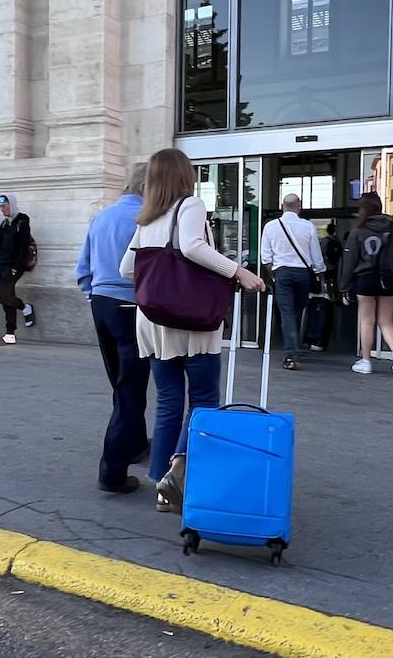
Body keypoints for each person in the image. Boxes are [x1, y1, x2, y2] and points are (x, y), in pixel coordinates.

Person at [120, 149, 264, 513]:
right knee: (203, 399)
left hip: (153, 322)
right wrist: (238, 272)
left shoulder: (146, 218)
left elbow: (125, 269)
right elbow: (192, 247)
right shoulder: (191, 205)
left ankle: (160, 485)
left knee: (168, 401)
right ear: (184, 176)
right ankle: (178, 471)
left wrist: (160, 281)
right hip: (191, 323)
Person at [75, 163, 149, 495]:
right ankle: (113, 471)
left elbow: (83, 268)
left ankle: (133, 443)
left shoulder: (101, 217)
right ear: (148, 187)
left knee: (120, 381)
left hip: (101, 304)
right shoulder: (146, 219)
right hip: (131, 306)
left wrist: (94, 294)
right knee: (131, 387)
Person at [339, 192, 393, 377]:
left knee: (366, 320)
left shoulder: (359, 230)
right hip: (389, 279)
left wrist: (344, 286)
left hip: (366, 279)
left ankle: (366, 361)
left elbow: (349, 261)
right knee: (386, 321)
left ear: (363, 209)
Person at [259, 193, 325, 371]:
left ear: (282, 206)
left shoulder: (270, 227)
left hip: (282, 273)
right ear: (299, 206)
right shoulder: (308, 226)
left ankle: (291, 354)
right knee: (296, 311)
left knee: (286, 313)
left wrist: (273, 275)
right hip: (303, 274)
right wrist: (320, 275)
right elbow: (316, 257)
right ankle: (293, 346)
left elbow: (265, 257)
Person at [0, 193, 34, 345]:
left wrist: (17, 267)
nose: (2, 209)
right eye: (0, 207)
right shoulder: (4, 224)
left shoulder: (22, 220)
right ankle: (10, 334)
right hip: (2, 265)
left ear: (11, 203)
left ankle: (25, 307)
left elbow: (23, 246)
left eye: (4, 206)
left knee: (2, 296)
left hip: (14, 267)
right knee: (6, 300)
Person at [304, 223, 344, 352]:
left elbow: (318, 258)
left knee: (313, 307)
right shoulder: (337, 242)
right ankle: (320, 339)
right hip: (333, 274)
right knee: (326, 306)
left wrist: (319, 277)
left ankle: (309, 337)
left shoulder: (324, 242)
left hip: (323, 274)